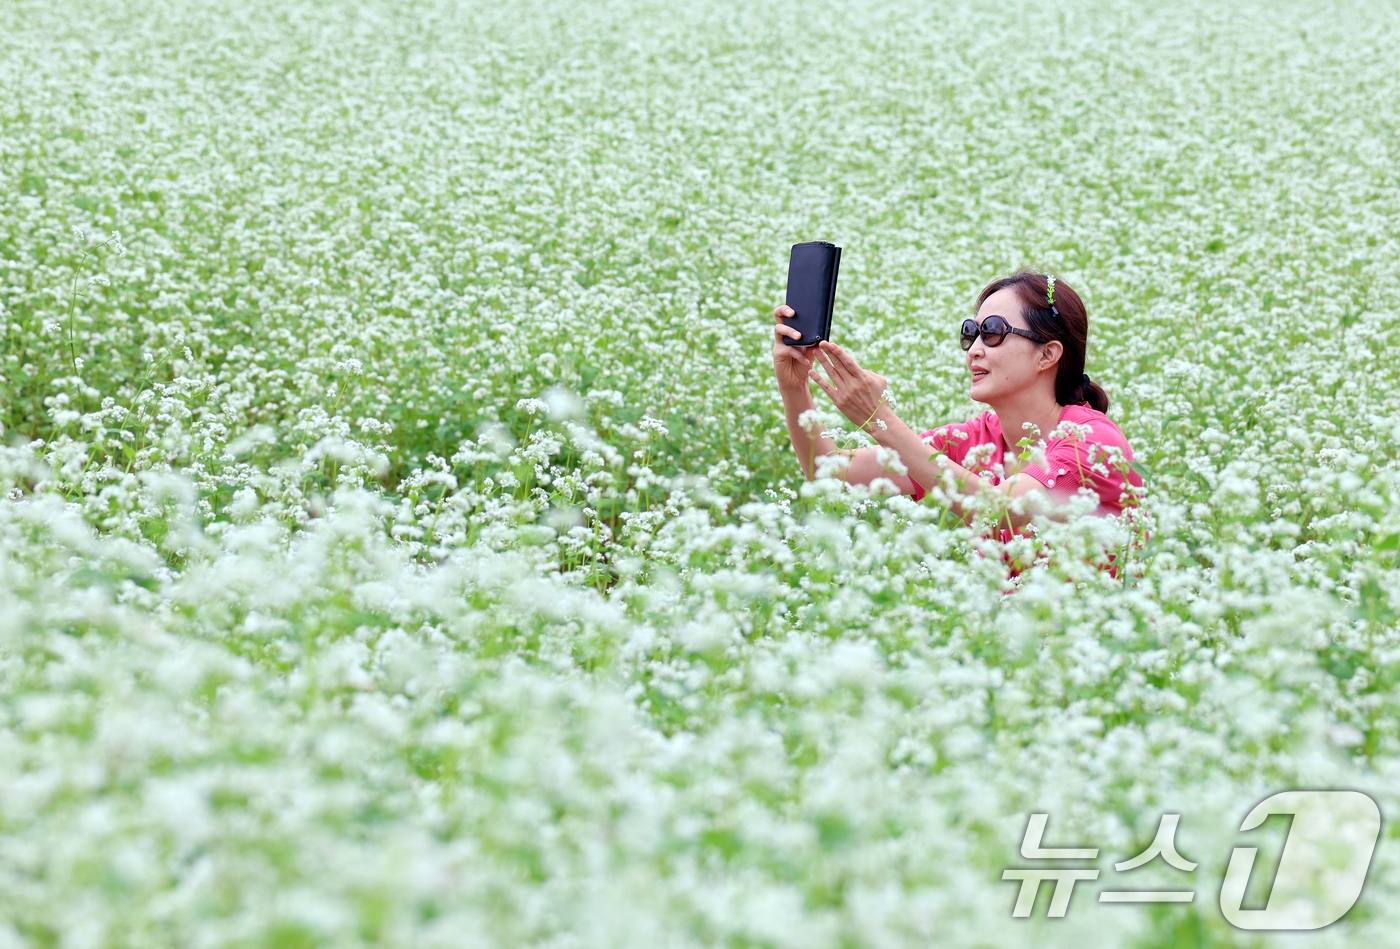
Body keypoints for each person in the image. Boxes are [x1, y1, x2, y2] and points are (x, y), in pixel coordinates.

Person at [772, 270, 1143, 533]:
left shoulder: (1091, 442)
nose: (974, 351)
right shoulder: (975, 441)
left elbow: (997, 511)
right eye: (971, 333)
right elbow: (832, 473)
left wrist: (877, 418)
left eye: (993, 332)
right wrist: (794, 387)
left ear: (1047, 355)